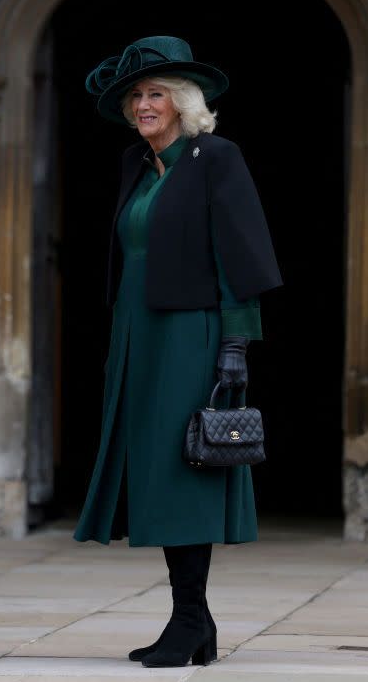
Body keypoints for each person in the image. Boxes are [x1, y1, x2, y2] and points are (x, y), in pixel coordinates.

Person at [73, 36, 282, 668]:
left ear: (184, 102)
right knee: (158, 480)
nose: (143, 104)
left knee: (186, 477)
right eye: (136, 95)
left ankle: (189, 619)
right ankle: (196, 621)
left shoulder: (217, 158)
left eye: (155, 92)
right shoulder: (136, 166)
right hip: (138, 337)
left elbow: (240, 255)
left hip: (193, 338)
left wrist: (236, 345)